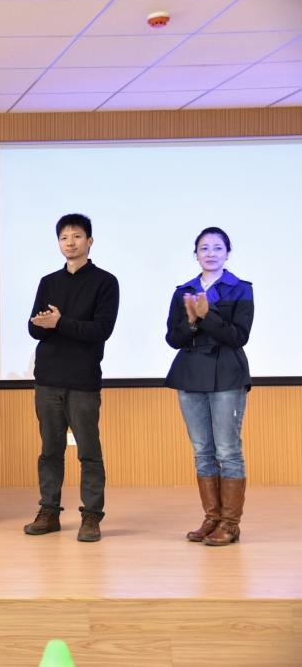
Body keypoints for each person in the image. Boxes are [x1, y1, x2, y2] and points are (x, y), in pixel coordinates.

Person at [24, 213, 119, 543]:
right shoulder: (49, 282)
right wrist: (47, 325)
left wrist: (60, 324)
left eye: (77, 236)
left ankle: (91, 516)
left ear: (89, 241)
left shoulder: (105, 282)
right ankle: (49, 511)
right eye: (64, 238)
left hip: (83, 380)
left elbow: (101, 330)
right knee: (50, 451)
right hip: (47, 379)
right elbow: (34, 328)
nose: (70, 243)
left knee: (88, 452)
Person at [164, 227, 252, 546]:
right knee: (202, 450)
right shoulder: (183, 291)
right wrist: (191, 321)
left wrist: (206, 317)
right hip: (190, 374)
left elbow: (239, 336)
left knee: (228, 450)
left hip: (227, 373)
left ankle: (230, 523)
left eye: (217, 247)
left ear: (227, 253)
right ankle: (212, 518)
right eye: (204, 248)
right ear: (196, 254)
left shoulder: (241, 289)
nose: (210, 253)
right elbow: (173, 338)